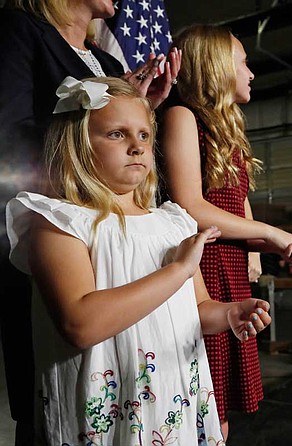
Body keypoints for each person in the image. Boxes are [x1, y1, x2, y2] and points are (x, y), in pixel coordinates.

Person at [6, 76, 273, 444]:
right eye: (117, 134)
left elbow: (198, 308)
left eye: (144, 135)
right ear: (79, 145)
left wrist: (228, 313)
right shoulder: (57, 221)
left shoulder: (173, 222)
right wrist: (177, 269)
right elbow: (80, 323)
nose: (137, 146)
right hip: (104, 417)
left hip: (170, 406)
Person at [0, 2, 179, 442]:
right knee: (58, 380)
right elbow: (10, 135)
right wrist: (91, 120)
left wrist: (137, 110)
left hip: (115, 227)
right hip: (61, 226)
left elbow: (122, 135)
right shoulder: (18, 31)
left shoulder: (109, 61)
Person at [159, 24, 292, 440]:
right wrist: (273, 232)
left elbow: (237, 201)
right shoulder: (182, 117)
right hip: (201, 266)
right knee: (202, 401)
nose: (251, 72)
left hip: (228, 264)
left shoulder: (228, 131)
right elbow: (192, 206)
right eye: (243, 61)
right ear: (214, 66)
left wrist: (269, 247)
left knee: (222, 404)